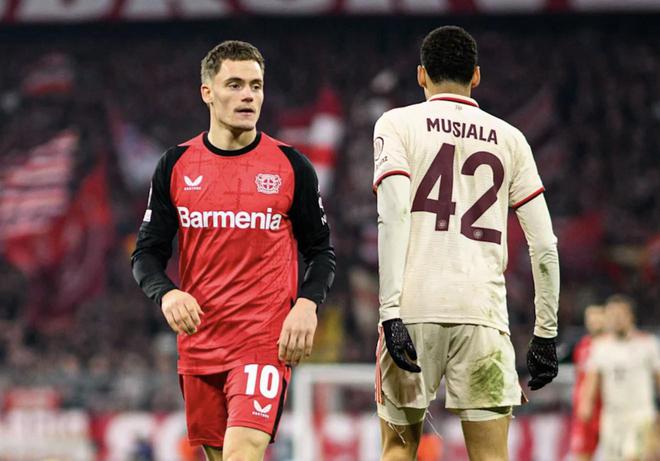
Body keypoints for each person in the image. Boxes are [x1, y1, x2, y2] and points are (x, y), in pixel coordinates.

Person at [131, 40, 335, 461]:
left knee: (242, 453)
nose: (248, 96)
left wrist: (307, 305)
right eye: (235, 84)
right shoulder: (176, 164)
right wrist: (167, 294)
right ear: (207, 92)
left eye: (256, 86)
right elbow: (146, 254)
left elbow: (321, 251)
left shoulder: (291, 165)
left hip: (262, 340)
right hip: (200, 342)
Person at [372, 26, 560, 461]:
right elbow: (545, 244)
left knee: (398, 449)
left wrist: (390, 312)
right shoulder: (511, 138)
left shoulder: (397, 123)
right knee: (491, 455)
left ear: (421, 74)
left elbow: (394, 215)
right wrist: (545, 333)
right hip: (483, 315)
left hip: (413, 308)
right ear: (476, 75)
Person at [579, 295, 660, 461]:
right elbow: (592, 379)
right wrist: (586, 403)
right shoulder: (600, 347)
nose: (616, 319)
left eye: (620, 314)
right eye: (612, 314)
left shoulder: (647, 344)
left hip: (640, 415)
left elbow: (658, 377)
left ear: (631, 316)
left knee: (633, 457)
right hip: (612, 417)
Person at [569, 305, 606, 461]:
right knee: (582, 453)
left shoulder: (611, 346)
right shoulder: (582, 346)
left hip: (607, 408)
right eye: (590, 318)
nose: (593, 321)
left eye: (597, 317)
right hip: (585, 411)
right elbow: (579, 377)